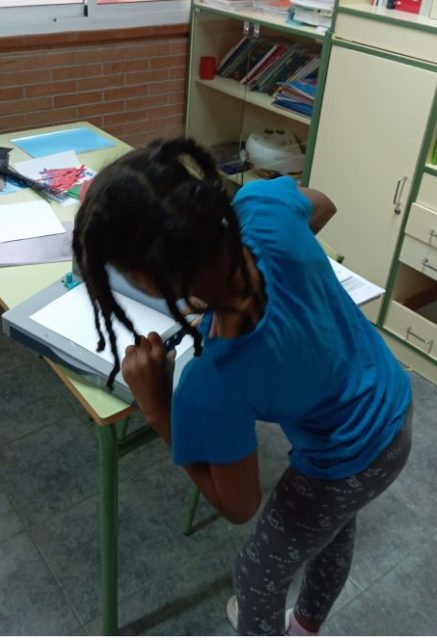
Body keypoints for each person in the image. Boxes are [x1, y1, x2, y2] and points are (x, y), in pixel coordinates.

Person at [72, 137, 413, 636]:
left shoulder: (213, 384)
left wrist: (158, 407)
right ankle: (307, 625)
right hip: (394, 404)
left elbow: (238, 506)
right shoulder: (263, 209)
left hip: (345, 457)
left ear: (146, 281)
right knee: (334, 529)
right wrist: (293, 261)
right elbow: (322, 204)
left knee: (256, 575)